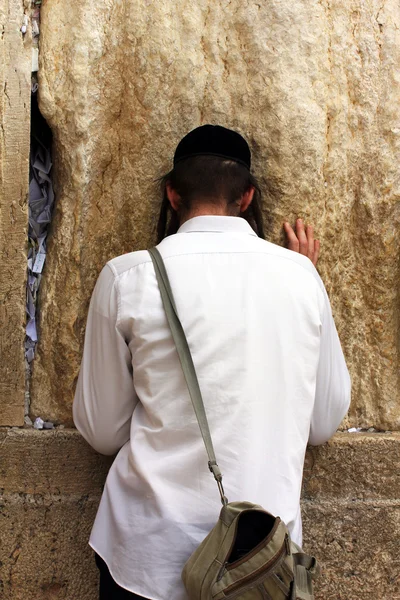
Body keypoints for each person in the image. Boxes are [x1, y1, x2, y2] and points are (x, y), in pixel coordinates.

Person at [73, 124, 351, 600]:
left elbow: (101, 432)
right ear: (247, 197)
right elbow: (322, 423)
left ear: (172, 193)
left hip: (146, 554)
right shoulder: (302, 279)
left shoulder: (128, 277)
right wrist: (303, 277)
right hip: (257, 566)